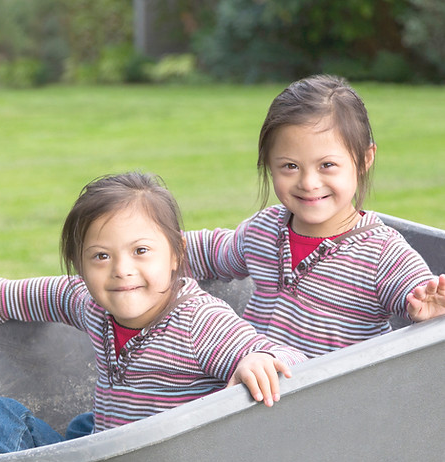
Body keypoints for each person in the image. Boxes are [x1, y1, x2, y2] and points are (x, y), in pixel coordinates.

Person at [0, 172, 306, 455]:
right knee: (50, 422)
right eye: (100, 256)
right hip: (109, 449)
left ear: (176, 254)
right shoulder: (93, 305)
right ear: (80, 267)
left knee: (18, 421)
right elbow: (39, 294)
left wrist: (258, 359)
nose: (122, 270)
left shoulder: (197, 321)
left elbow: (291, 360)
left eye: (140, 251)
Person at [184, 74, 445, 358]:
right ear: (269, 164)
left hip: (332, 397)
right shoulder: (263, 230)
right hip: (255, 389)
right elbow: (210, 252)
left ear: (364, 159)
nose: (308, 183)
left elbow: (414, 288)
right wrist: (152, 248)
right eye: (290, 166)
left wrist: (427, 305)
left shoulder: (380, 252)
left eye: (327, 165)